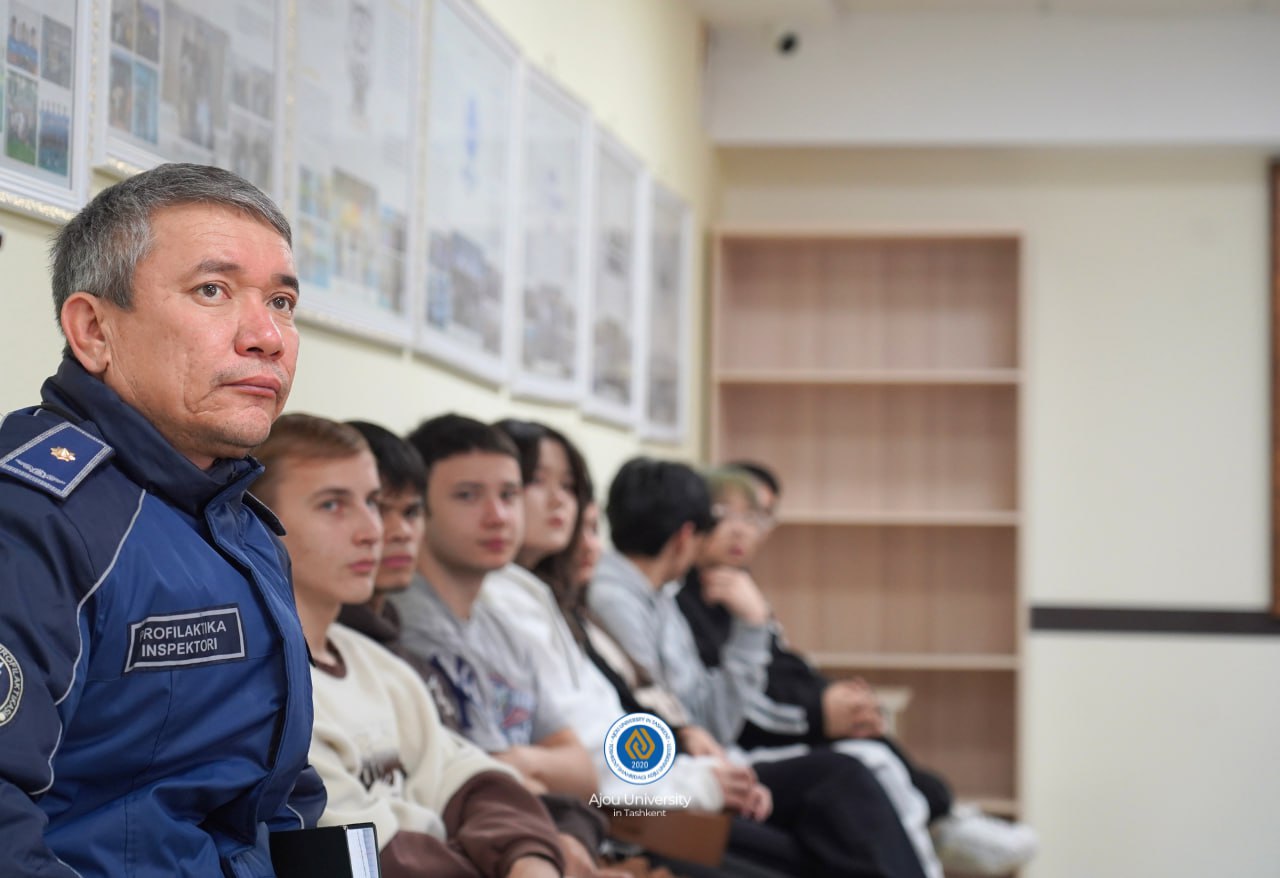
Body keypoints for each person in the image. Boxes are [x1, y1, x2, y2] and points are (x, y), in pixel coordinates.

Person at [0, 163, 322, 877]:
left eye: (282, 301)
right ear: (93, 330)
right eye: (212, 291)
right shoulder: (34, 514)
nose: (267, 336)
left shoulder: (238, 520)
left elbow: (278, 795)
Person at [488, 426, 930, 878]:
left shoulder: (591, 600)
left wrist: (690, 746)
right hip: (630, 804)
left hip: (659, 782)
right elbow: (604, 745)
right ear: (688, 537)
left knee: (861, 786)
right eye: (535, 483)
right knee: (843, 786)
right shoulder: (590, 600)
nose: (593, 548)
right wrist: (695, 758)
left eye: (572, 495)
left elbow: (623, 723)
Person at [253, 413, 566, 878]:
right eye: (333, 505)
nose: (372, 530)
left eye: (372, 502)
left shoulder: (380, 665)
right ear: (257, 521)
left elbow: (472, 780)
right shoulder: (261, 688)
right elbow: (371, 854)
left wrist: (529, 856)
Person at [715, 461, 1039, 876]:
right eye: (734, 515)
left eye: (760, 517)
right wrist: (819, 713)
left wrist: (836, 699)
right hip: (735, 748)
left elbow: (783, 669)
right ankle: (941, 826)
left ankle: (944, 820)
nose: (746, 531)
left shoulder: (740, 586)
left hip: (765, 729)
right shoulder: (697, 595)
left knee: (870, 739)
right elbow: (722, 708)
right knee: (862, 763)